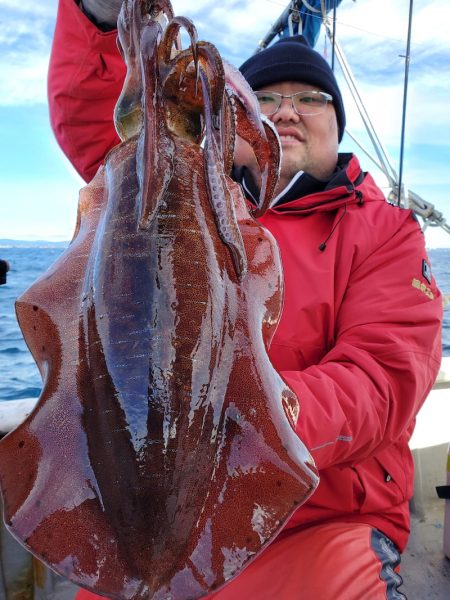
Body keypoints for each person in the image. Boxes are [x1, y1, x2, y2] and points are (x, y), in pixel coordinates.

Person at [48, 1, 443, 598]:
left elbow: (381, 379)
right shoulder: (177, 193)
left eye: (310, 99)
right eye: (268, 98)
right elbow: (102, 119)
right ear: (236, 123)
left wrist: (239, 420)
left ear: (338, 126)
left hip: (319, 517)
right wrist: (99, 17)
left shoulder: (386, 231)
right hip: (159, 503)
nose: (288, 110)